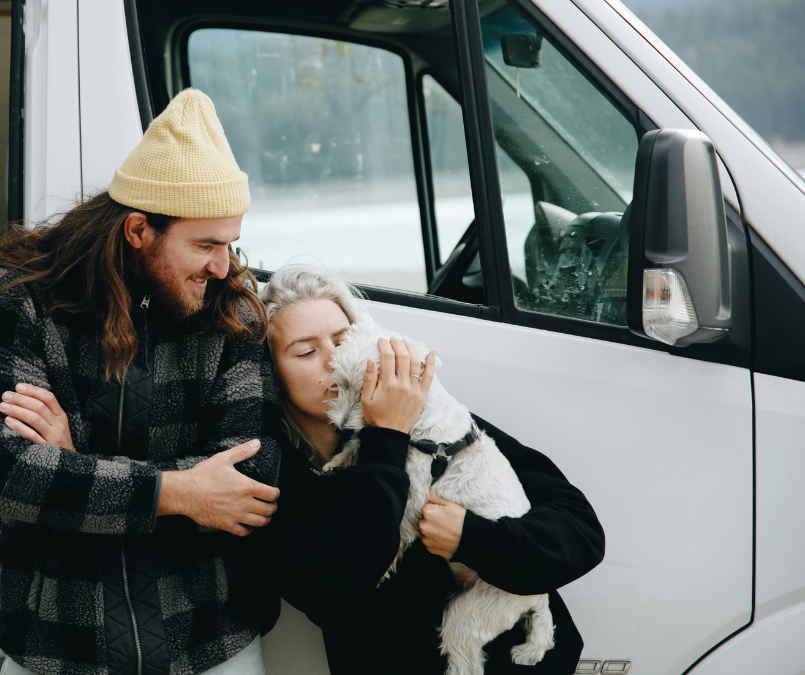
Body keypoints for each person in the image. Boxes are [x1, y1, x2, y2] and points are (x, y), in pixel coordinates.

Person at [0, 89, 282, 675]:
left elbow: (247, 484)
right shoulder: (23, 296)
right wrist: (180, 493)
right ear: (139, 230)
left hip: (210, 643)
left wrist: (74, 462)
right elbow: (0, 473)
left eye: (231, 242)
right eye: (205, 244)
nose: (223, 265)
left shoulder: (233, 305)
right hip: (56, 645)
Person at [245, 264, 605, 674]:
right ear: (271, 376)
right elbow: (333, 592)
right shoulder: (271, 481)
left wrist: (472, 538)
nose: (336, 361)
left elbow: (580, 534)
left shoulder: (433, 422)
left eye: (345, 341)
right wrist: (387, 436)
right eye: (306, 352)